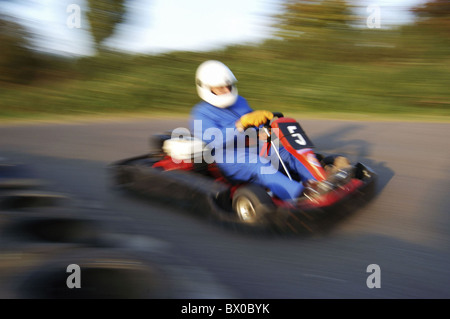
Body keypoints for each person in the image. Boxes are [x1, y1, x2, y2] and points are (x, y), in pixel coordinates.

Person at [189, 60, 318, 201]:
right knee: (258, 163)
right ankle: (301, 195)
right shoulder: (201, 113)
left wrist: (261, 131)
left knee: (290, 152)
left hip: (252, 148)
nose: (226, 90)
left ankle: (318, 183)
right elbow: (213, 142)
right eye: (220, 88)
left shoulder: (240, 101)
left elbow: (253, 124)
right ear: (207, 88)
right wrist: (240, 125)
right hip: (228, 158)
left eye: (228, 86)